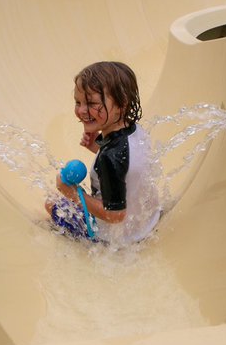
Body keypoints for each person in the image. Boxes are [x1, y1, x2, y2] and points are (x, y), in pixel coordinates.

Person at [45, 61, 161, 244]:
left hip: (115, 238)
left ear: (121, 104)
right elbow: (128, 166)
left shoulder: (109, 158)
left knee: (51, 203)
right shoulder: (136, 131)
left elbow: (115, 215)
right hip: (146, 221)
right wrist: (97, 147)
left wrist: (73, 193)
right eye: (78, 102)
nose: (81, 110)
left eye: (91, 103)